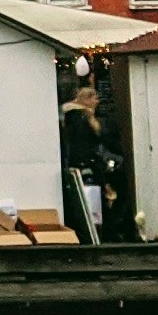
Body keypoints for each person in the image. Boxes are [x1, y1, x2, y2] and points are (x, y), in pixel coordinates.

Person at [58, 82, 114, 245]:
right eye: (95, 98)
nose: (97, 102)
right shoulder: (80, 118)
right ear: (87, 99)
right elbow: (84, 144)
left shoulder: (72, 116)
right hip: (87, 165)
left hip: (83, 163)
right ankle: (98, 234)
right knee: (94, 201)